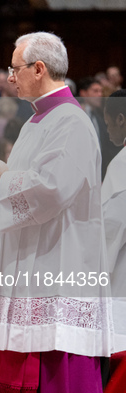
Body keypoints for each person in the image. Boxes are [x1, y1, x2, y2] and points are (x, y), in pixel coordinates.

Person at [0, 32, 112, 393]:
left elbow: (53, 190)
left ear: (39, 69)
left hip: (56, 265)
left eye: (14, 68)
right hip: (32, 263)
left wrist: (3, 178)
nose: (9, 77)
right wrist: (1, 182)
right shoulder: (38, 120)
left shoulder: (71, 121)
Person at [101, 89, 126, 355]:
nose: (108, 132)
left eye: (108, 124)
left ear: (121, 119)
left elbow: (110, 230)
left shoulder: (122, 165)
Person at [79, 76, 121, 179]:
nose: (100, 95)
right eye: (95, 91)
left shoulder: (100, 118)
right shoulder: (76, 115)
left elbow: (105, 148)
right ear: (84, 93)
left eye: (101, 91)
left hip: (98, 173)